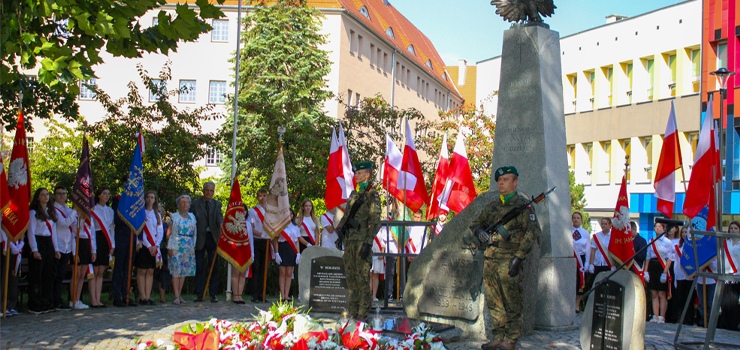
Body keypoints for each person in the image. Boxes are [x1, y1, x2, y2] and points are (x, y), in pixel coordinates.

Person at [470, 166, 540, 350]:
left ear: (515, 182)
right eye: (500, 180)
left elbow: (531, 234)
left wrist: (519, 257)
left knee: (512, 301)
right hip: (491, 259)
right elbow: (476, 223)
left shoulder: (524, 207)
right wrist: (479, 232)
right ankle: (498, 337)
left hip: (510, 259)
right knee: (494, 302)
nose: (501, 183)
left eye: (506, 180)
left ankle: (511, 339)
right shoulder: (492, 206)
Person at [336, 161, 381, 323]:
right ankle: (353, 309)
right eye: (356, 173)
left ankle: (363, 311)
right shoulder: (354, 194)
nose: (356, 175)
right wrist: (340, 234)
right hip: (350, 242)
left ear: (367, 175)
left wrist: (368, 243)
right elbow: (347, 216)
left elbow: (376, 221)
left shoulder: (372, 195)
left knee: (362, 278)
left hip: (362, 242)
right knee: (351, 277)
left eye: (360, 173)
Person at [27, 188, 61, 314]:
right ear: (38, 198)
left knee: (48, 275)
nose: (45, 197)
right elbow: (31, 232)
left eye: (47, 194)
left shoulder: (50, 212)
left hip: (49, 243)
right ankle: (34, 304)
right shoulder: (33, 213)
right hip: (38, 242)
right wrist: (34, 250)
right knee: (37, 275)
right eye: (42, 195)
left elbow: (54, 233)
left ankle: (45, 302)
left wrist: (56, 249)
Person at [190, 181, 223, 303]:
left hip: (213, 238)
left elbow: (219, 216)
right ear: (203, 191)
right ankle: (200, 294)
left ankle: (213, 294)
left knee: (214, 266)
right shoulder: (195, 204)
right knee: (199, 266)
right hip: (199, 238)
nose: (209, 193)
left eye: (211, 191)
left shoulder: (217, 204)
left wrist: (221, 223)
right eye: (207, 190)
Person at [273, 210, 310, 300]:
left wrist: (298, 253)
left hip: (291, 250)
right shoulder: (279, 227)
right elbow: (276, 240)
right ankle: (282, 295)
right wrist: (277, 253)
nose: (289, 215)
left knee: (289, 273)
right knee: (282, 273)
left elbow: (297, 241)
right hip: (282, 248)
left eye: (291, 214)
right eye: (287, 214)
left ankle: (287, 295)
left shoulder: (295, 227)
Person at [135, 191, 163, 305]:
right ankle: (143, 297)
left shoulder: (157, 214)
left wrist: (156, 245)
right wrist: (148, 245)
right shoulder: (141, 213)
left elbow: (159, 231)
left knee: (150, 271)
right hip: (144, 246)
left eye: (152, 197)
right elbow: (140, 231)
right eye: (148, 197)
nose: (150, 199)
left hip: (154, 246)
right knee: (142, 270)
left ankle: (148, 295)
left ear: (155, 200)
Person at [167, 195, 197, 305]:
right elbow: (169, 233)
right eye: (183, 202)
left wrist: (193, 244)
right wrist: (169, 246)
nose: (185, 204)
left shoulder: (192, 216)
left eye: (187, 202)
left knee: (183, 271)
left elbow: (195, 232)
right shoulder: (174, 216)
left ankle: (180, 295)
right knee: (176, 270)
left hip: (188, 245)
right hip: (176, 244)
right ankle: (175, 295)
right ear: (178, 204)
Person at [644, 222, 675, 323]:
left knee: (662, 293)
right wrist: (646, 271)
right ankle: (655, 315)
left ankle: (662, 316)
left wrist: (665, 273)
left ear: (664, 228)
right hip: (653, 266)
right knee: (653, 293)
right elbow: (648, 257)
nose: (658, 228)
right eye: (656, 227)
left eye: (660, 227)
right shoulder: (651, 241)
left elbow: (670, 258)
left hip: (663, 266)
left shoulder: (667, 242)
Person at [111, 194, 138, 307]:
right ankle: (116, 296)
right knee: (119, 268)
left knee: (128, 268)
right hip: (121, 236)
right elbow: (116, 219)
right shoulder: (118, 199)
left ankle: (126, 294)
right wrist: (129, 219)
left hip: (132, 237)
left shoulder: (136, 200)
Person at [89, 187, 114, 308]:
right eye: (104, 193)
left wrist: (112, 244)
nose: (107, 196)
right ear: (98, 195)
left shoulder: (110, 211)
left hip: (106, 240)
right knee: (94, 270)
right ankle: (93, 299)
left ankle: (98, 299)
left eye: (108, 194)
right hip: (96, 237)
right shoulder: (93, 209)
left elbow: (111, 229)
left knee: (101, 271)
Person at [52, 185, 76, 310]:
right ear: (55, 195)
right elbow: (64, 223)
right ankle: (54, 300)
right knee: (54, 275)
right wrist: (75, 211)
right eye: (60, 193)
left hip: (67, 246)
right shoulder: (54, 209)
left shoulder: (67, 209)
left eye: (65, 193)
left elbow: (74, 226)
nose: (63, 195)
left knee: (61, 275)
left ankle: (59, 299)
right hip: (57, 246)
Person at [718, 221, 740, 331]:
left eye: (736, 228)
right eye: (731, 228)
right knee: (725, 301)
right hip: (726, 275)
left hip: (737, 276)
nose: (733, 230)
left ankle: (733, 324)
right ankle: (725, 324)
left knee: (734, 302)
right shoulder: (725, 243)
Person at [673, 226, 696, 326]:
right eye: (683, 232)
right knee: (680, 299)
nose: (684, 234)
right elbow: (676, 262)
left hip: (690, 276)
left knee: (689, 300)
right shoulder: (678, 246)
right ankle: (681, 318)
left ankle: (689, 319)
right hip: (680, 275)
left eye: (686, 232)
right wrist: (675, 276)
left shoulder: (693, 246)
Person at [586, 218, 614, 292]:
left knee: (608, 286)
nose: (603, 225)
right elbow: (593, 250)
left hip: (608, 264)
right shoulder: (597, 236)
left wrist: (614, 265)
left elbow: (614, 253)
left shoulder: (613, 236)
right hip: (597, 264)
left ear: (610, 225)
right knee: (597, 285)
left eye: (605, 224)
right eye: (602, 224)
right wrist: (591, 264)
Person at [1, 231, 23, 316]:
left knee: (13, 278)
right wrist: (10, 244)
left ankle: (10, 305)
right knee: (3, 277)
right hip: (4, 244)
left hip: (15, 244)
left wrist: (20, 244)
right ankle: (2, 305)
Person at [572, 211, 589, 313]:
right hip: (571, 258)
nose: (576, 220)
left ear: (581, 220)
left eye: (578, 218)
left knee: (579, 282)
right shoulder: (568, 230)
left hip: (581, 260)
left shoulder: (585, 233)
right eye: (574, 217)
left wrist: (586, 264)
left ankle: (576, 306)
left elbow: (587, 250)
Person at [154, 204, 171, 303]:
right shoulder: (149, 223)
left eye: (160, 211)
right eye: (157, 211)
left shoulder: (166, 225)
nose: (158, 213)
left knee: (163, 275)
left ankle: (162, 298)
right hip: (151, 251)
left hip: (163, 252)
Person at [370, 226, 386, 302]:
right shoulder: (367, 227)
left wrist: (382, 253)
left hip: (378, 254)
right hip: (369, 254)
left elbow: (383, 242)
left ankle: (374, 296)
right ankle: (368, 295)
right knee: (369, 275)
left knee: (375, 275)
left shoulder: (380, 229)